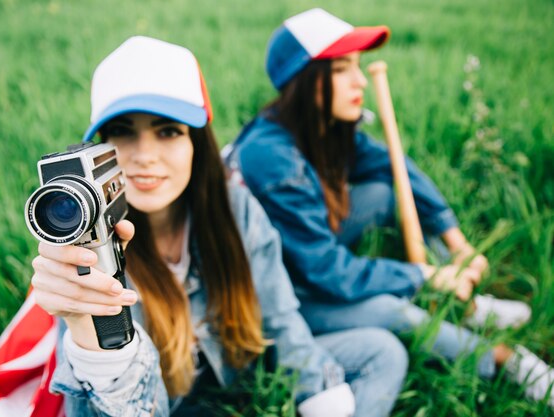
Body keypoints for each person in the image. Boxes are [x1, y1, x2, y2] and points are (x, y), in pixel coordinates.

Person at [30, 35, 408, 417]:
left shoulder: (235, 207)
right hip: (170, 406)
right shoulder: (93, 251)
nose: (144, 156)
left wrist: (318, 395)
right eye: (124, 132)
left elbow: (280, 319)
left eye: (167, 132)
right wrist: (93, 337)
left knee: (383, 353)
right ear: (102, 152)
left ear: (197, 143)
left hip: (238, 373)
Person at [227, 8, 554, 407]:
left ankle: (464, 305)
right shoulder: (271, 156)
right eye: (342, 69)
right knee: (391, 312)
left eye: (359, 66)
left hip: (299, 259)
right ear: (304, 80)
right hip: (266, 298)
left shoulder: (322, 126)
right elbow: (326, 272)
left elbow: (396, 168)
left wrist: (456, 242)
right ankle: (507, 364)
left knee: (385, 192)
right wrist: (420, 276)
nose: (360, 80)